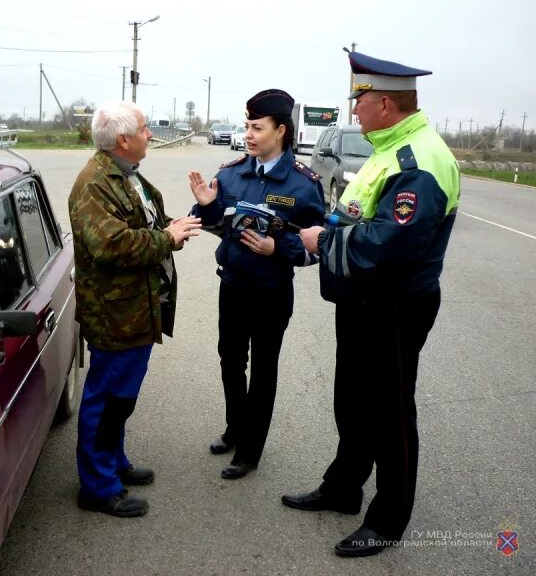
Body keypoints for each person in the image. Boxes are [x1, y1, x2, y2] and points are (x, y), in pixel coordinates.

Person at [285, 52, 461, 557]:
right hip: (364, 298)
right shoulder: (389, 148)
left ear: (384, 103)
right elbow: (354, 215)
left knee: (390, 411)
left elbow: (390, 241)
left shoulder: (420, 159)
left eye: (358, 101)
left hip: (396, 303)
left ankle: (388, 519)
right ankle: (343, 488)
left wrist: (324, 243)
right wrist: (318, 235)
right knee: (354, 400)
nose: (354, 111)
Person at [68, 101, 202, 518]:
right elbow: (110, 245)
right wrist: (167, 239)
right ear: (123, 139)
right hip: (115, 314)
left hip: (136, 308)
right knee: (107, 399)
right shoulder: (94, 183)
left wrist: (178, 224)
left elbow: (148, 223)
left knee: (120, 398)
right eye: (145, 129)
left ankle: (114, 462)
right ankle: (98, 485)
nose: (151, 134)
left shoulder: (125, 174)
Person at [189, 89, 325, 480]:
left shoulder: (303, 186)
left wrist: (275, 247)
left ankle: (250, 450)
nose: (248, 134)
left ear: (280, 130)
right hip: (231, 285)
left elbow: (317, 248)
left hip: (271, 291)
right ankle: (235, 428)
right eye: (247, 126)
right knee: (230, 361)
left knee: (263, 370)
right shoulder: (232, 173)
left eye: (257, 127)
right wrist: (207, 204)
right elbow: (214, 224)